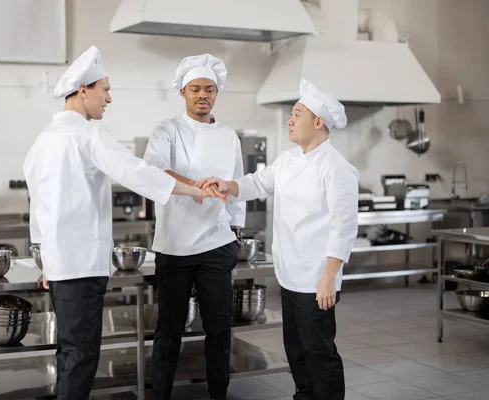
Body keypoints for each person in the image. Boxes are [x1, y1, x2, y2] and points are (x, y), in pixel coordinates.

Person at [22, 46, 220, 400]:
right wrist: (191, 191)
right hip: (82, 267)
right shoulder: (88, 135)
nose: (109, 99)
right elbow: (136, 172)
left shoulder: (43, 140)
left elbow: (38, 204)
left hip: (58, 265)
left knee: (69, 354)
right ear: (84, 90)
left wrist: (44, 259)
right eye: (105, 89)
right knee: (82, 357)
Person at [198, 79, 359, 400]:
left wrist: (329, 277)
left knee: (318, 351)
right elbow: (258, 183)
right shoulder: (288, 159)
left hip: (316, 278)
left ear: (318, 122)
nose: (290, 120)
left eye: (297, 114)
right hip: (290, 275)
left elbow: (344, 226)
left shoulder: (336, 167)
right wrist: (228, 184)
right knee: (296, 349)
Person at [143, 53, 245, 400]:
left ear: (216, 93)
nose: (204, 95)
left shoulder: (229, 135)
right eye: (197, 89)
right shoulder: (167, 130)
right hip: (174, 245)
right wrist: (198, 186)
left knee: (219, 329)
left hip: (217, 243)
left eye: (210, 89)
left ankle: (219, 395)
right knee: (169, 330)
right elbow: (155, 170)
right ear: (183, 92)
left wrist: (236, 232)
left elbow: (237, 185)